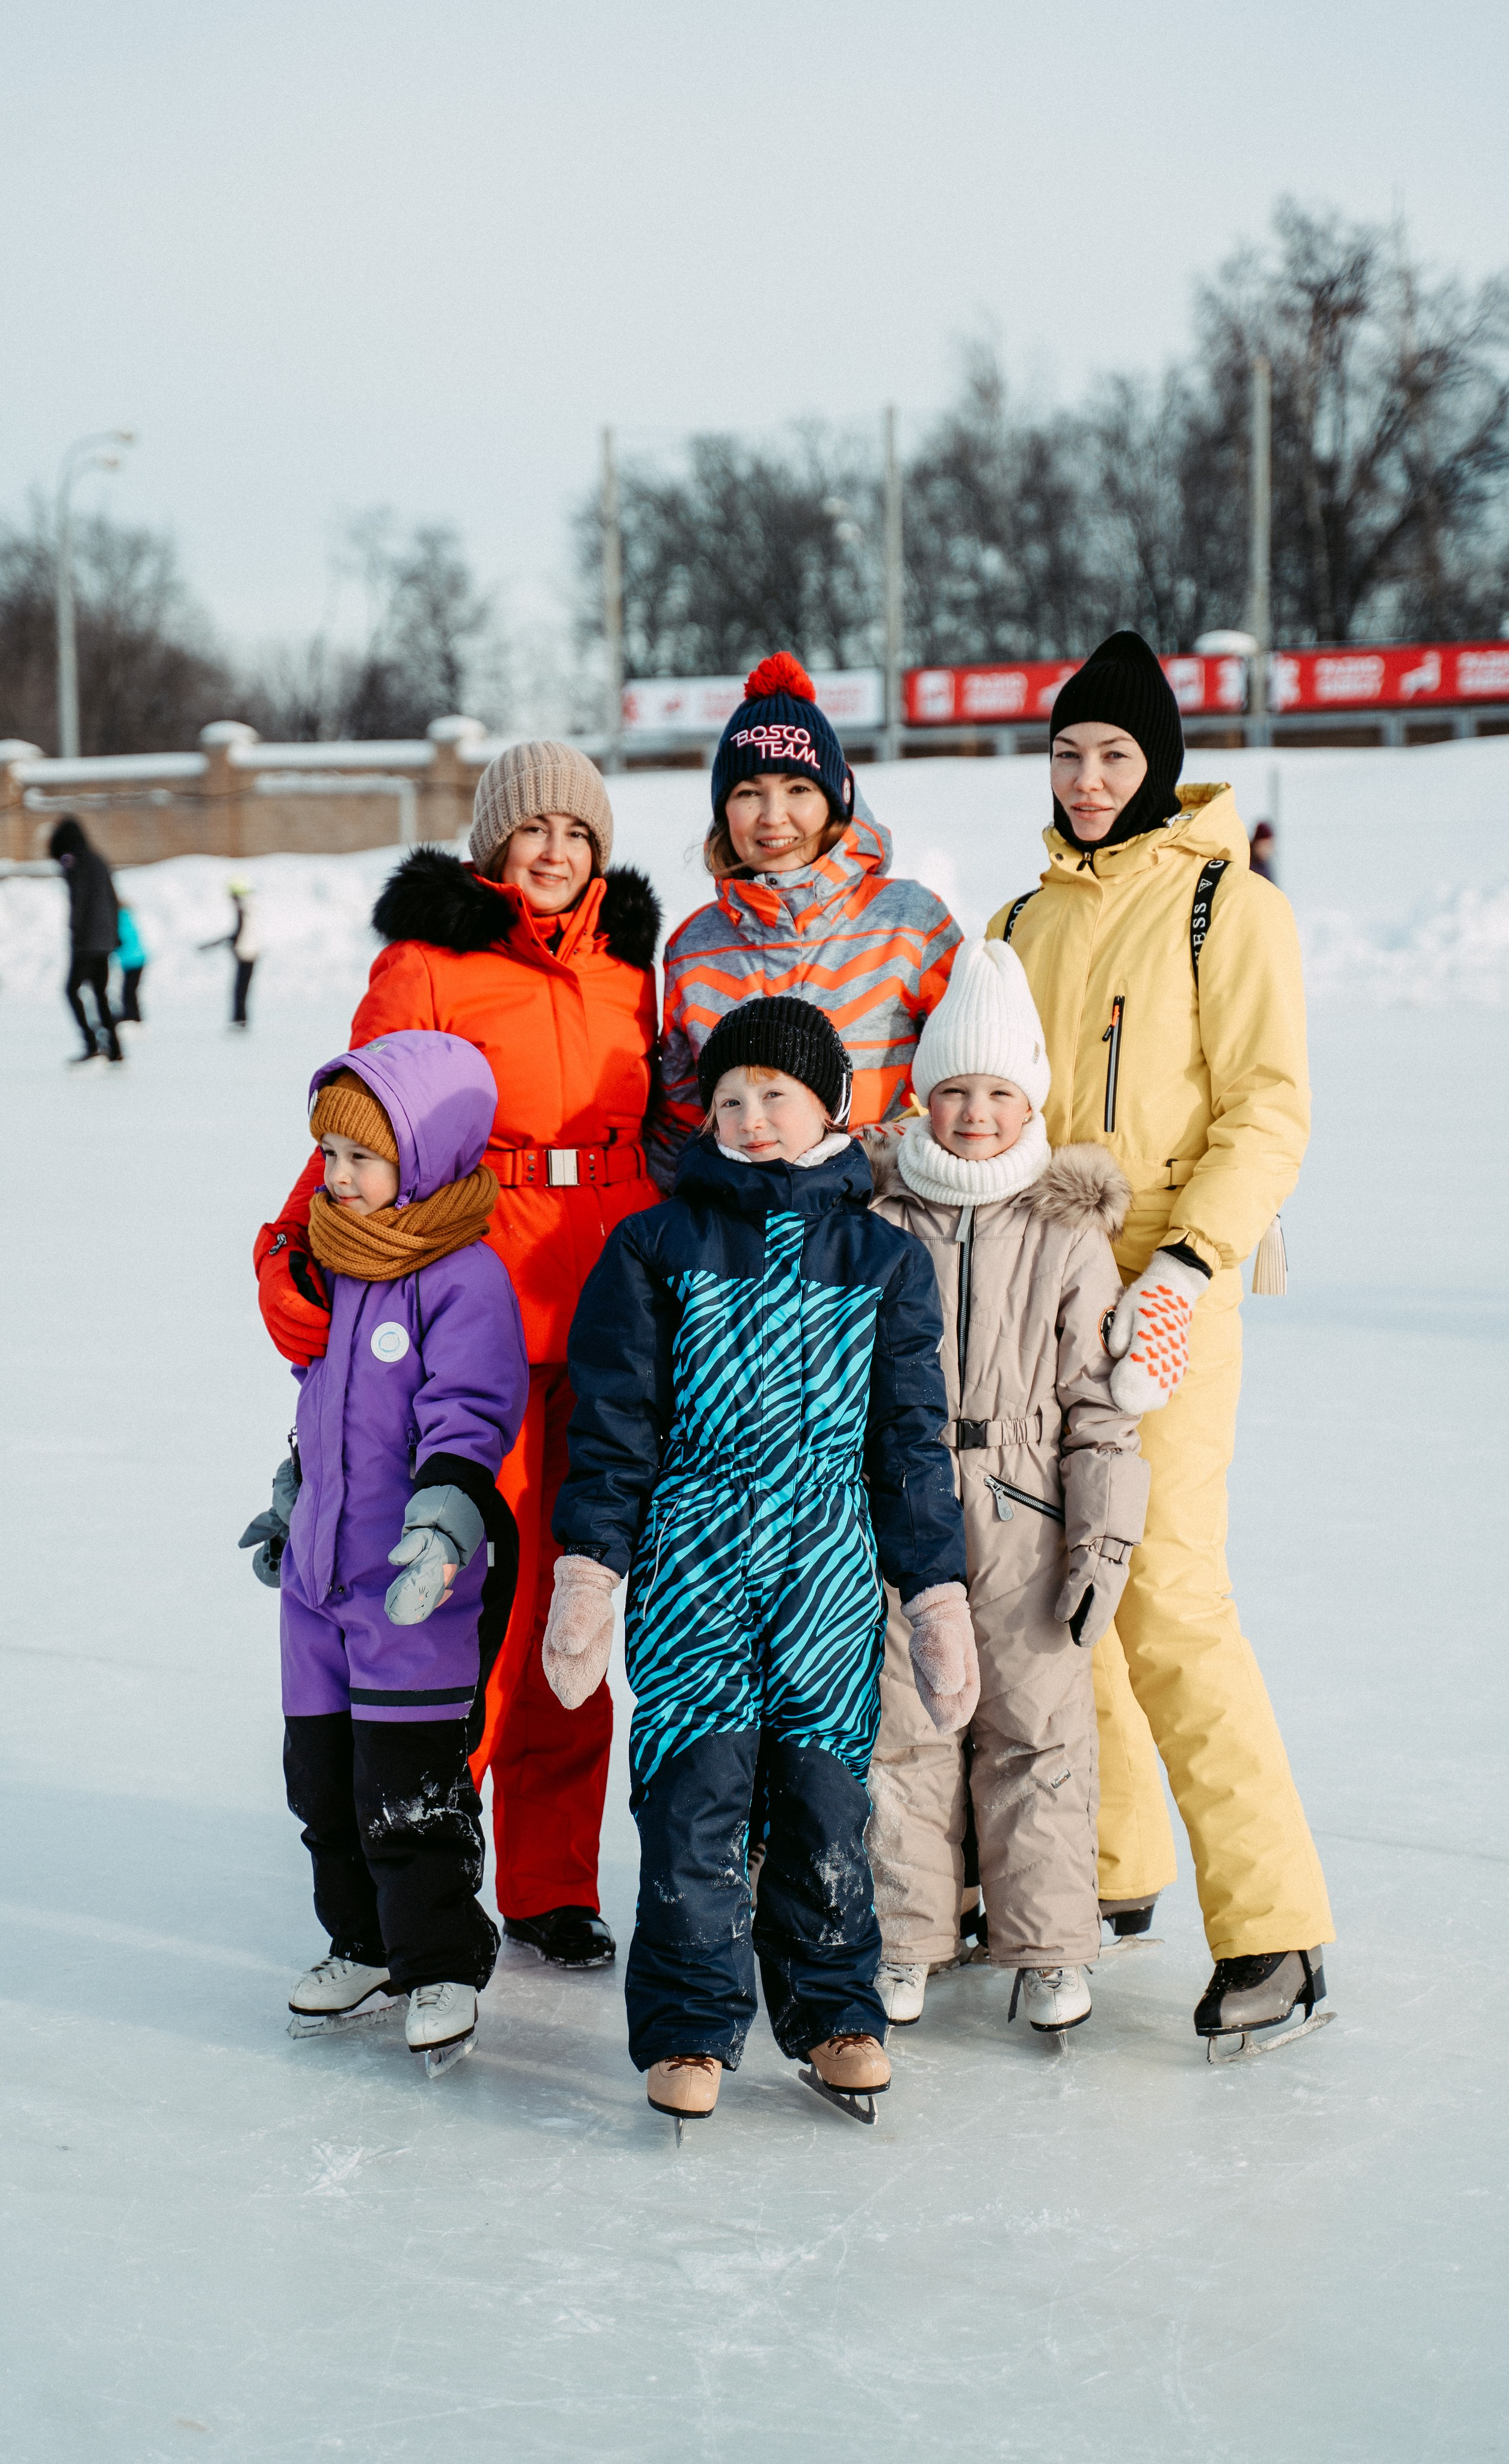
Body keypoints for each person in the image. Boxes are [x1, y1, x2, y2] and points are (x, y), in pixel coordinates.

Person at [253, 742, 662, 1971]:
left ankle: (553, 1881)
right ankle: (432, 1864)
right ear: (493, 845)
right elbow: (361, 1125)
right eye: (532, 828)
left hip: (616, 1326)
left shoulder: (630, 971)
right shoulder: (428, 962)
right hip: (472, 1324)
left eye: (576, 833)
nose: (554, 851)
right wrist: (295, 1247)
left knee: (573, 1606)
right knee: (463, 1607)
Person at [986, 630, 1333, 2055]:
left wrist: (1189, 1263)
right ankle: (1109, 1868)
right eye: (1067, 752)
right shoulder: (1018, 919)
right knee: (1060, 1594)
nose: (1086, 778)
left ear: (1159, 764)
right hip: (1038, 1291)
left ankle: (1274, 1927)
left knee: (1168, 1594)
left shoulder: (1222, 907)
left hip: (1166, 1282)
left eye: (1114, 754)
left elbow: (1269, 1107)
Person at [540, 996, 970, 2125]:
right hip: (694, 1551)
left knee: (826, 1795)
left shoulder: (885, 1260)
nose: (750, 1117)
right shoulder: (655, 1245)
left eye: (775, 1094)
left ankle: (834, 2010)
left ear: (832, 1105)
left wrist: (934, 1591)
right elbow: (615, 1422)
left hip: (826, 1558)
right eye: (728, 1098)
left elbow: (908, 1438)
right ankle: (689, 2023)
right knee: (694, 1795)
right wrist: (590, 1568)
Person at [865, 940, 1149, 2037]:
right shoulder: (882, 1216)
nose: (974, 1114)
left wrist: (1101, 1544)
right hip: (903, 1499)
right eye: (953, 1092)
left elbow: (1100, 1410)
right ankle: (905, 1940)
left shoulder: (1067, 1228)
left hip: (1027, 1508)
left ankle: (1048, 1947)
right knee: (903, 1729)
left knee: (1038, 1729)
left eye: (996, 1093)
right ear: (922, 1097)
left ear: (1028, 1098)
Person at [252, 1030, 529, 2071]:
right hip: (320, 1582)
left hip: (416, 1580)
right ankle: (363, 1944)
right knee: (322, 1781)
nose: (336, 1176)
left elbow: (471, 1414)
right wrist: (292, 1500)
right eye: (328, 1155)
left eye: (360, 1158)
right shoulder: (335, 1262)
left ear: (423, 1156)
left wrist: (444, 1522)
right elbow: (321, 1410)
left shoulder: (462, 1278)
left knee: (409, 1786)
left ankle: (441, 1959)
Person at [649, 653, 960, 1188]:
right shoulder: (693, 946)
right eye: (749, 793)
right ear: (724, 810)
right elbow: (682, 1126)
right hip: (743, 1232)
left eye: (798, 788)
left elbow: (967, 1090)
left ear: (836, 800)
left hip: (891, 1219)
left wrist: (876, 1165)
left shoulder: (910, 921)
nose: (774, 817)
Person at [49, 815, 122, 1065]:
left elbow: (79, 901)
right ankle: (115, 1049)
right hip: (105, 939)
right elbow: (113, 898)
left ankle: (91, 1044)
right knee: (100, 993)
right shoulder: (98, 859)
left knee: (72, 990)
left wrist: (76, 932)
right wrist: (115, 934)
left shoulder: (74, 861)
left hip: (87, 941)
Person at [200, 878, 260, 1026]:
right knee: (242, 989)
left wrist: (221, 943)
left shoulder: (244, 908)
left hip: (245, 952)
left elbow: (238, 932)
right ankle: (240, 1019)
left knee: (240, 989)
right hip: (251, 951)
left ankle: (240, 1020)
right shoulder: (252, 906)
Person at [113, 902, 148, 1024]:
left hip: (132, 960)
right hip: (136, 959)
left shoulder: (119, 918)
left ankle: (132, 1016)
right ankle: (133, 1015)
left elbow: (121, 939)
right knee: (130, 990)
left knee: (129, 990)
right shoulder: (126, 916)